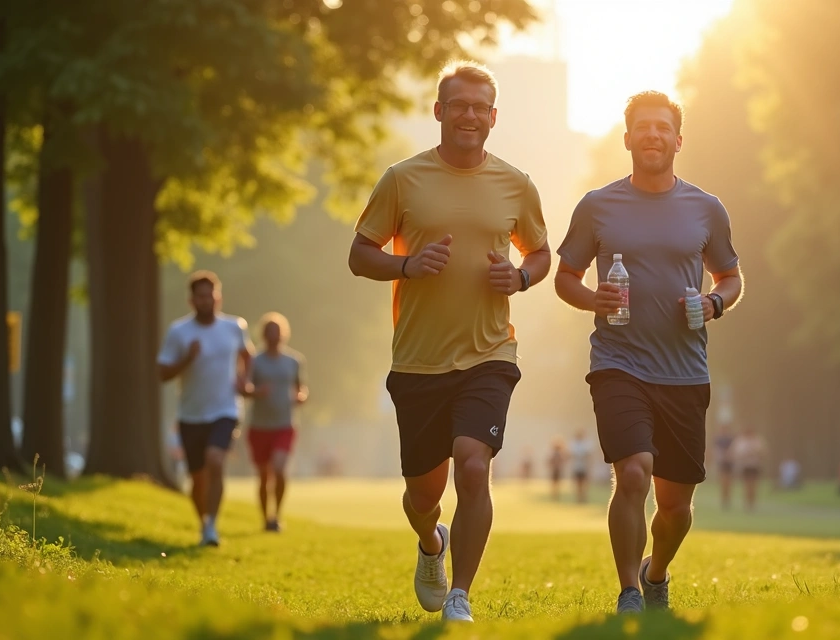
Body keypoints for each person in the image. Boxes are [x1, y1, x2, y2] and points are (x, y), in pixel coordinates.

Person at [347, 61, 551, 623]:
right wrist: (407, 265)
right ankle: (430, 542)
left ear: (493, 117)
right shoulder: (402, 179)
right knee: (422, 498)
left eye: (480, 107)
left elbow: (540, 252)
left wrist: (521, 277)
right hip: (418, 361)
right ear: (439, 111)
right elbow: (359, 255)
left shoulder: (516, 183)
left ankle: (460, 594)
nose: (469, 115)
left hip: (489, 353)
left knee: (473, 463)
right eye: (458, 105)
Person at [554, 90, 743, 615]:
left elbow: (730, 278)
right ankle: (629, 593)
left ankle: (654, 571)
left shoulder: (706, 208)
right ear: (628, 138)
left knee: (676, 507)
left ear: (678, 140)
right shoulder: (598, 206)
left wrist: (713, 303)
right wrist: (593, 299)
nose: (653, 135)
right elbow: (565, 277)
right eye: (643, 127)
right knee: (633, 472)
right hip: (618, 362)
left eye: (663, 128)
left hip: (685, 370)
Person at [157, 271, 254, 547]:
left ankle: (211, 526)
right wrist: (188, 358)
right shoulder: (179, 332)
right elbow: (163, 373)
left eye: (210, 295)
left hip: (226, 409)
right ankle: (203, 523)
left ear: (217, 297)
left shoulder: (234, 327)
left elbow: (248, 355)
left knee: (215, 460)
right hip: (191, 414)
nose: (206, 301)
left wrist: (244, 380)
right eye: (200, 297)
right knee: (197, 479)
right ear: (192, 300)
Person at [243, 312, 307, 533]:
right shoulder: (255, 361)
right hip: (259, 426)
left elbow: (301, 388)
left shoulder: (294, 361)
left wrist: (300, 397)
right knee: (263, 477)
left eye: (277, 332)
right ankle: (266, 519)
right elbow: (244, 388)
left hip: (284, 425)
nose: (274, 336)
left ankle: (277, 515)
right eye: (270, 332)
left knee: (279, 469)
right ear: (264, 335)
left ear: (284, 335)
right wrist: (256, 391)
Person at [731, 425, 766, 511]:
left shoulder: (757, 440)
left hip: (754, 465)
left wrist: (754, 453)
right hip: (745, 466)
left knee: (753, 485)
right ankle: (747, 503)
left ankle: (752, 503)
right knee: (746, 485)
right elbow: (736, 453)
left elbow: (762, 452)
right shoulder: (741, 441)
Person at [570, 430, 595, 504]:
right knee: (578, 483)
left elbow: (589, 456)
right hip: (577, 467)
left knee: (584, 483)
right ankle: (579, 498)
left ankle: (583, 497)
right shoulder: (574, 444)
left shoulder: (586, 444)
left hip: (584, 467)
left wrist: (589, 466)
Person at [713, 427, 734, 510]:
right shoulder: (718, 440)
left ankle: (727, 499)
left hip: (729, 462)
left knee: (728, 483)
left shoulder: (731, 439)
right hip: (722, 462)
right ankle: (724, 500)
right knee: (723, 482)